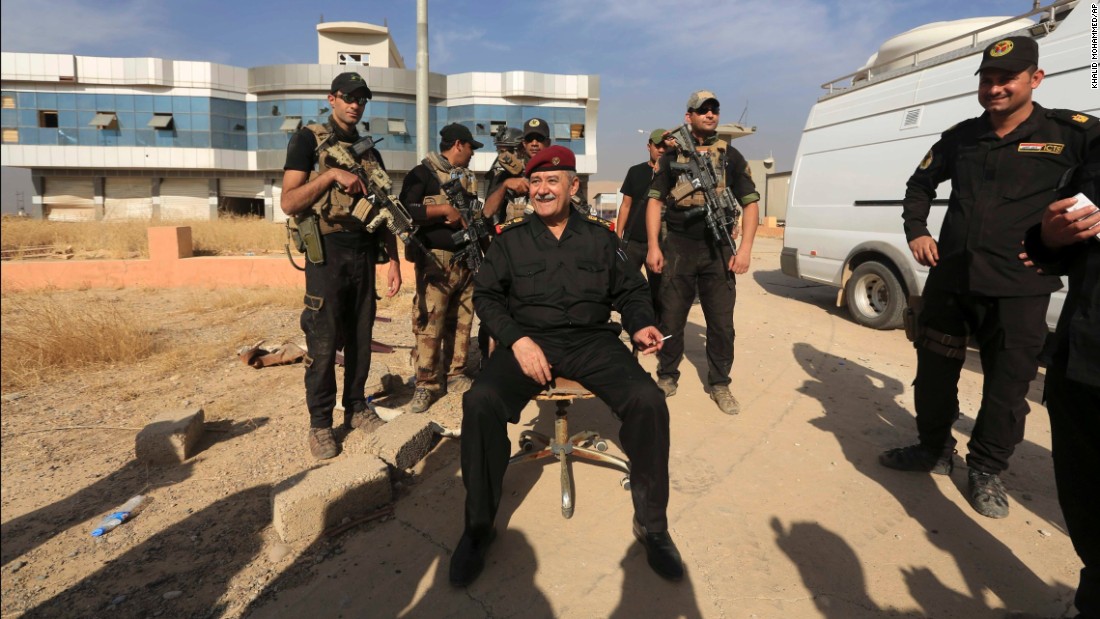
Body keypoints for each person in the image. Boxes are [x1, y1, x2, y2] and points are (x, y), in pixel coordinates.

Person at [879, 36, 1099, 519]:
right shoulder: (961, 137)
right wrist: (917, 230)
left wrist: (1082, 218)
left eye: (1007, 79)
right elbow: (920, 185)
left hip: (1021, 285)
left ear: (1035, 79)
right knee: (934, 374)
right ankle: (933, 448)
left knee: (1007, 387)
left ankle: (986, 470)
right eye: (988, 79)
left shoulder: (1070, 132)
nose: (995, 88)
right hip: (951, 280)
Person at [451, 145, 683, 586]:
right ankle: (478, 529)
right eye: (536, 182)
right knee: (480, 401)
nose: (542, 189)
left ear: (573, 187)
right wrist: (517, 340)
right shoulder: (512, 238)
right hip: (529, 342)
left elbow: (631, 292)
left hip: (591, 342)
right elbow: (487, 296)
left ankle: (653, 527)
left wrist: (639, 325)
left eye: (552, 181)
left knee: (648, 401)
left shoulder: (600, 236)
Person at [280, 71, 401, 460]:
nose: (355, 104)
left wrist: (394, 260)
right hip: (327, 252)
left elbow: (384, 210)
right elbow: (289, 201)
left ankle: (356, 408)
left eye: (362, 99)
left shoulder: (369, 152)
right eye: (348, 97)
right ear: (331, 98)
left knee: (361, 337)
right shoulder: (307, 140)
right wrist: (331, 174)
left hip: (364, 252)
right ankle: (319, 424)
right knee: (324, 339)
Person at [644, 90, 760, 415]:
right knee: (671, 318)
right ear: (689, 116)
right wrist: (654, 245)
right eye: (702, 110)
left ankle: (720, 383)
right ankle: (667, 377)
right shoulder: (671, 155)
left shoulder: (730, 157)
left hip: (719, 247)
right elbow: (654, 200)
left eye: (714, 109)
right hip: (679, 245)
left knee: (721, 324)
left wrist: (746, 248)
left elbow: (750, 203)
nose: (710, 114)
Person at [1023, 149, 1099, 617]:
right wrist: (1048, 238)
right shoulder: (1094, 152)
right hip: (1082, 366)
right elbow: (1054, 256)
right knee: (1088, 511)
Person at [399, 123, 485, 413]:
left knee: (461, 321)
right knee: (430, 323)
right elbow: (403, 211)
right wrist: (442, 210)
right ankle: (426, 383)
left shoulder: (468, 179)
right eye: (471, 147)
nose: (473, 153)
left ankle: (456, 372)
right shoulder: (422, 173)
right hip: (436, 262)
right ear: (458, 144)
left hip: (465, 262)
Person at [617, 128, 668, 317]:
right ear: (649, 147)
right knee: (627, 288)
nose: (661, 149)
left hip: (659, 244)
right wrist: (618, 238)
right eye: (657, 145)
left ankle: (657, 330)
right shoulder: (635, 171)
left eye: (665, 145)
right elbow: (626, 206)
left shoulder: (674, 175)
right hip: (633, 242)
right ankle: (632, 325)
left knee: (659, 292)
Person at [483, 118, 551, 223]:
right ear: (524, 144)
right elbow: (488, 212)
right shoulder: (505, 173)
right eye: (529, 139)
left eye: (539, 139)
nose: (534, 143)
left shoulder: (558, 169)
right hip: (515, 234)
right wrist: (506, 185)